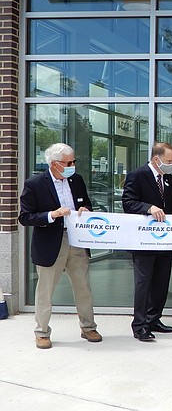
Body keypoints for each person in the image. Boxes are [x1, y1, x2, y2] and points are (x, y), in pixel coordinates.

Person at [18, 143, 102, 349]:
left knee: (83, 287)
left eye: (74, 161)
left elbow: (87, 204)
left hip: (77, 240)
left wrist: (85, 209)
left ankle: (88, 327)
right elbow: (25, 217)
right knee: (45, 291)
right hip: (50, 242)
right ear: (54, 164)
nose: (72, 165)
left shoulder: (76, 180)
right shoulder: (35, 184)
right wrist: (51, 215)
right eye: (68, 162)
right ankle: (42, 332)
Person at [122, 142, 172, 341]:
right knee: (143, 283)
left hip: (165, 240)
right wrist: (149, 208)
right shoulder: (137, 176)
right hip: (144, 241)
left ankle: (154, 318)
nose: (171, 164)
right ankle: (139, 325)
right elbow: (128, 203)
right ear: (157, 159)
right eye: (169, 161)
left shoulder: (169, 179)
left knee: (161, 282)